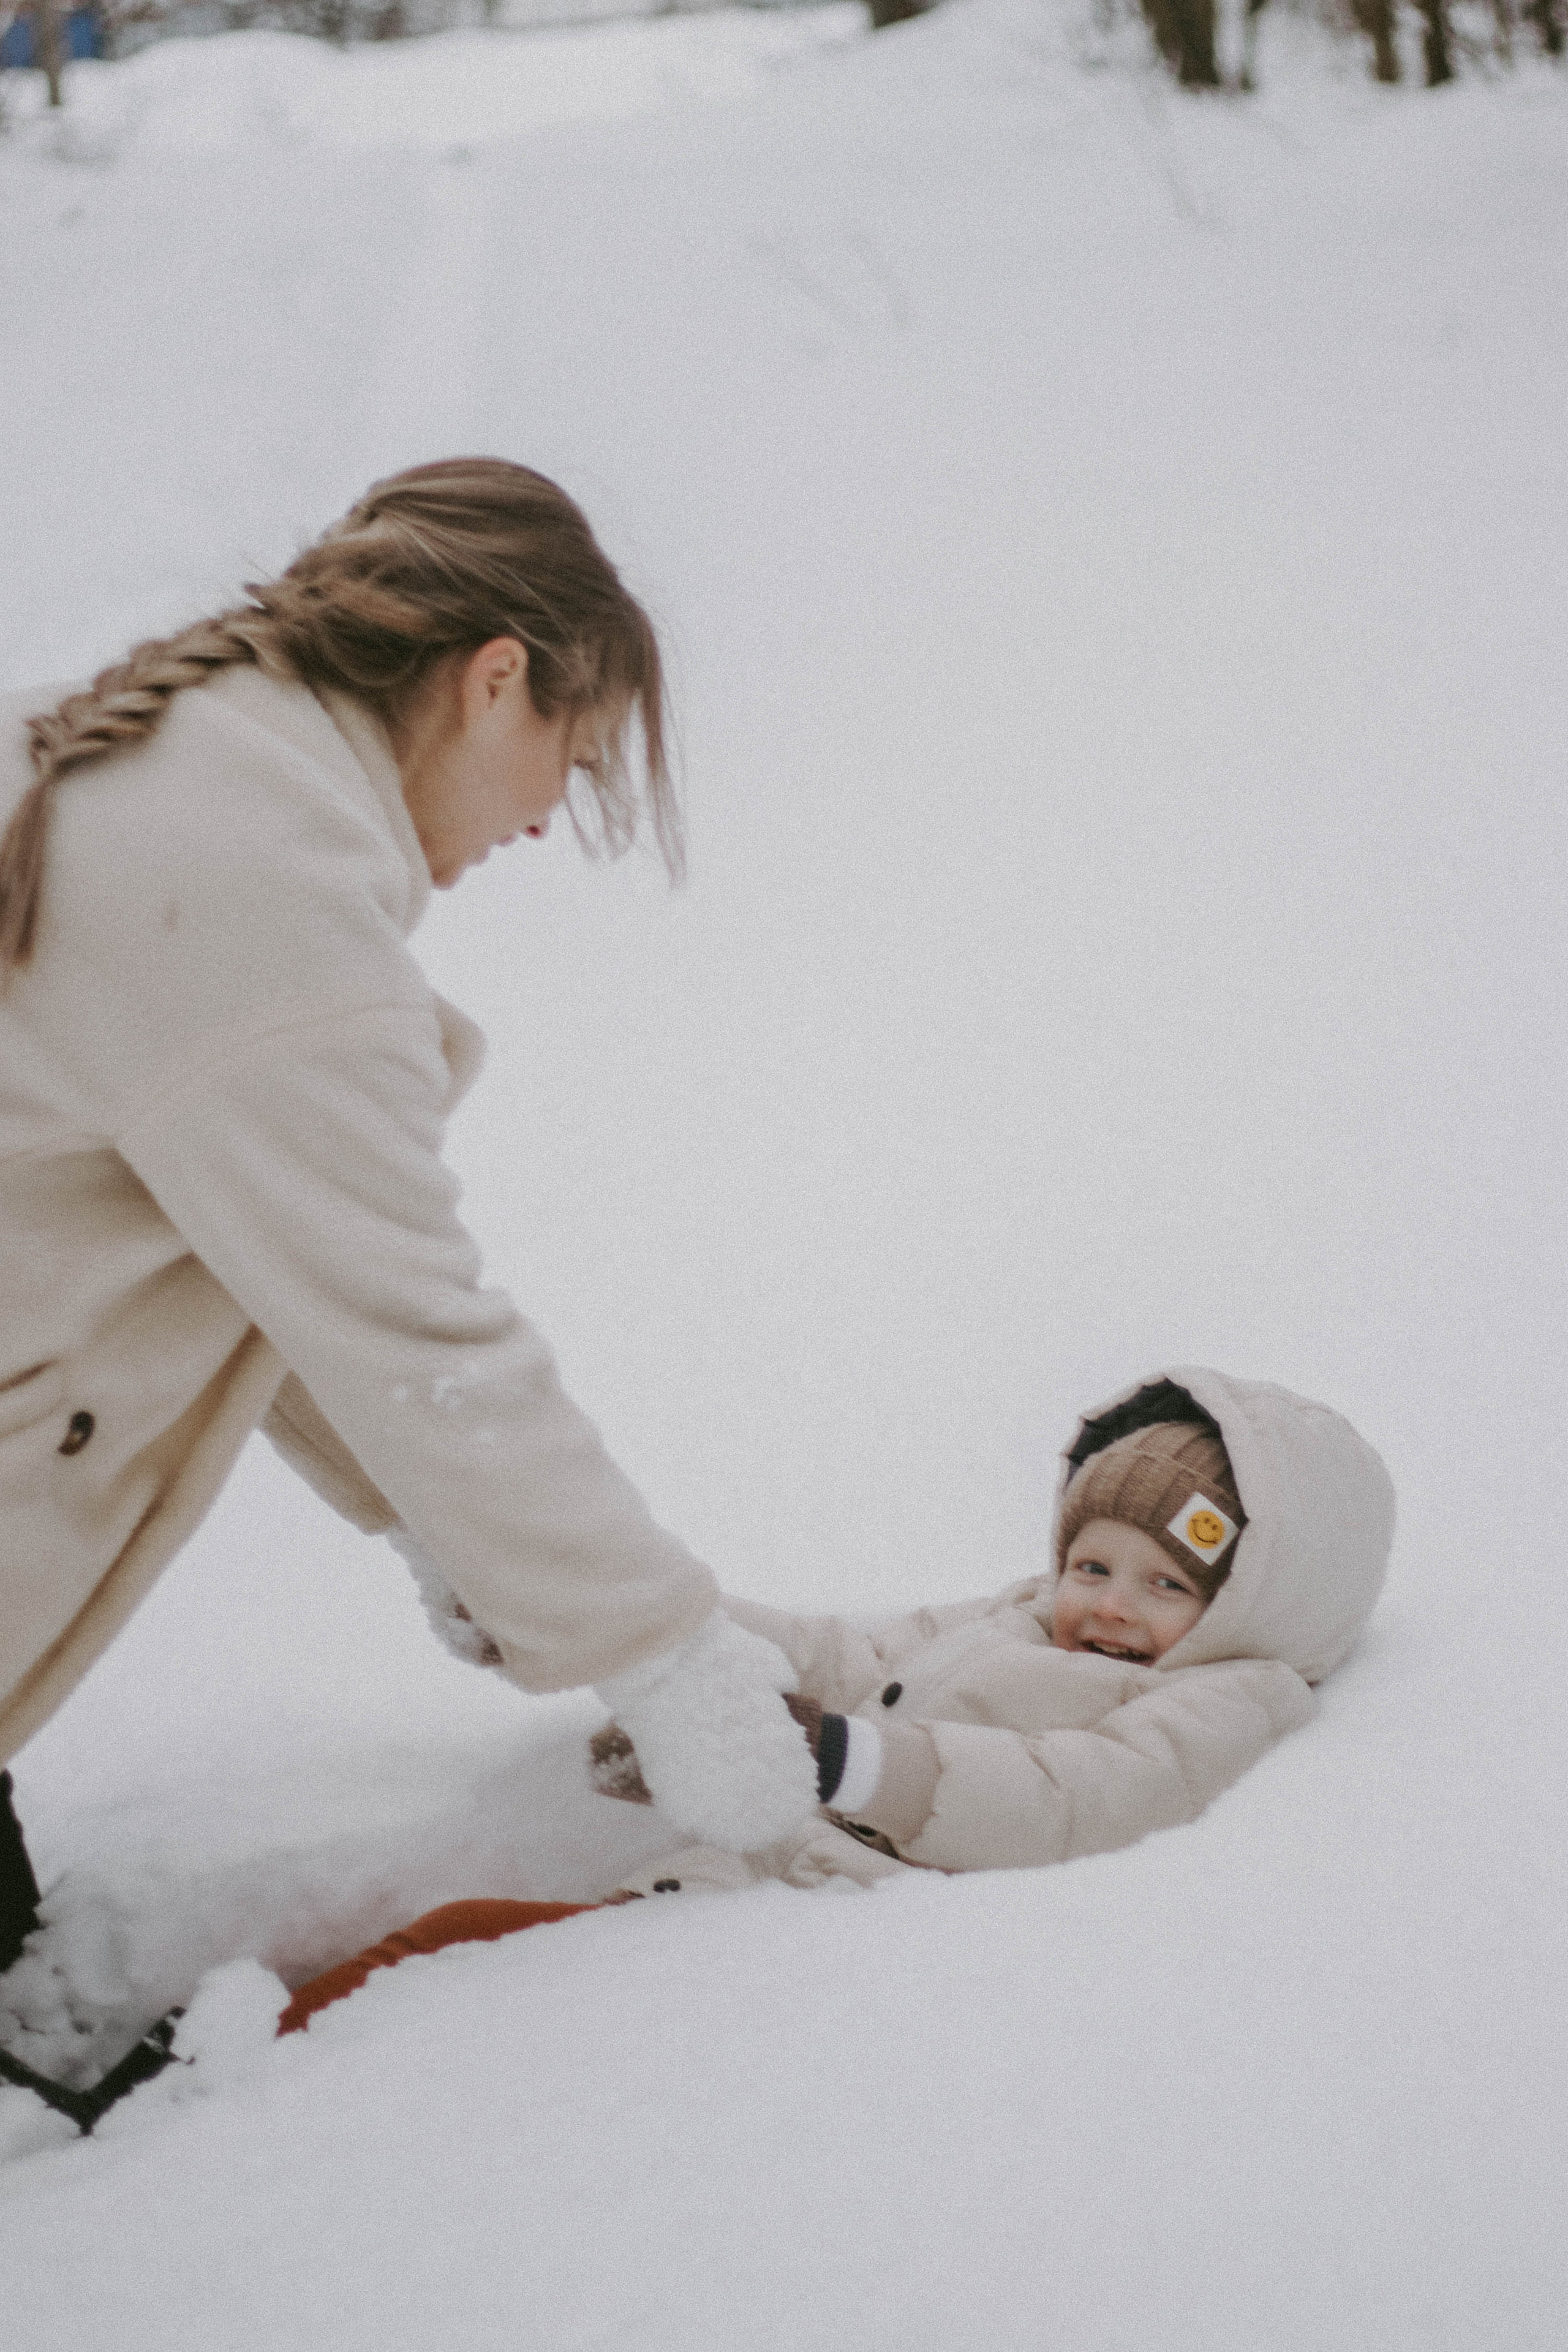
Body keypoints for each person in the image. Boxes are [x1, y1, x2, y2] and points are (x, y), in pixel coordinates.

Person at [0, 458, 822, 1961]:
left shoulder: (202, 764)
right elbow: (408, 1322)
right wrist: (666, 1659)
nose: (544, 825)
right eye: (572, 765)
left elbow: (278, 1271)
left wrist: (437, 1525)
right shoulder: (265, 894)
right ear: (494, 680)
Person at [274, 1366, 1396, 2035]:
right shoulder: (1017, 1614)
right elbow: (840, 1654)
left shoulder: (1232, 1699)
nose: (1109, 1605)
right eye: (1091, 1566)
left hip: (809, 1956)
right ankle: (217, 2068)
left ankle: (227, 2093)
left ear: (1251, 1600)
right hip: (731, 1893)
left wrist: (842, 1762)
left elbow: (1078, 1798)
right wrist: (641, 1623)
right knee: (448, 1956)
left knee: (468, 1974)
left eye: (1166, 1586)